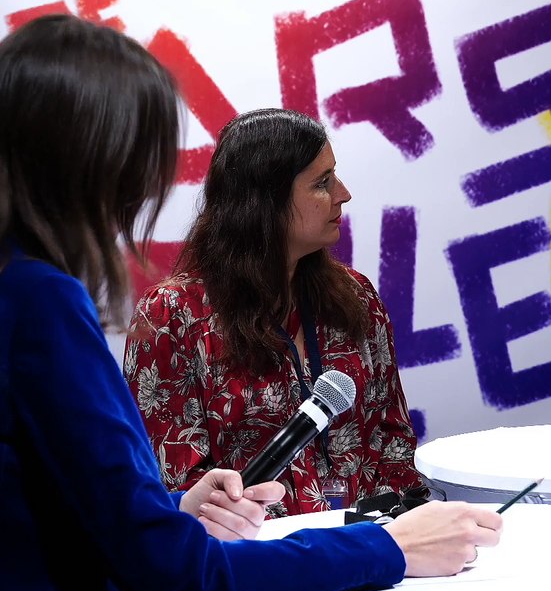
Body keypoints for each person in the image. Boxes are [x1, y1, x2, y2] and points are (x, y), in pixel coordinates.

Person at [0, 15, 501, 591]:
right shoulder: (37, 304)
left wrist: (159, 513)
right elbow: (181, 581)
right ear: (90, 162)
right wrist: (386, 549)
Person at [125, 108, 424, 517]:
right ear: (264, 202)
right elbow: (175, 487)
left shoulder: (357, 296)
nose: (343, 193)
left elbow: (394, 442)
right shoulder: (172, 317)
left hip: (372, 545)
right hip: (253, 560)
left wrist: (392, 528)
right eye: (322, 183)